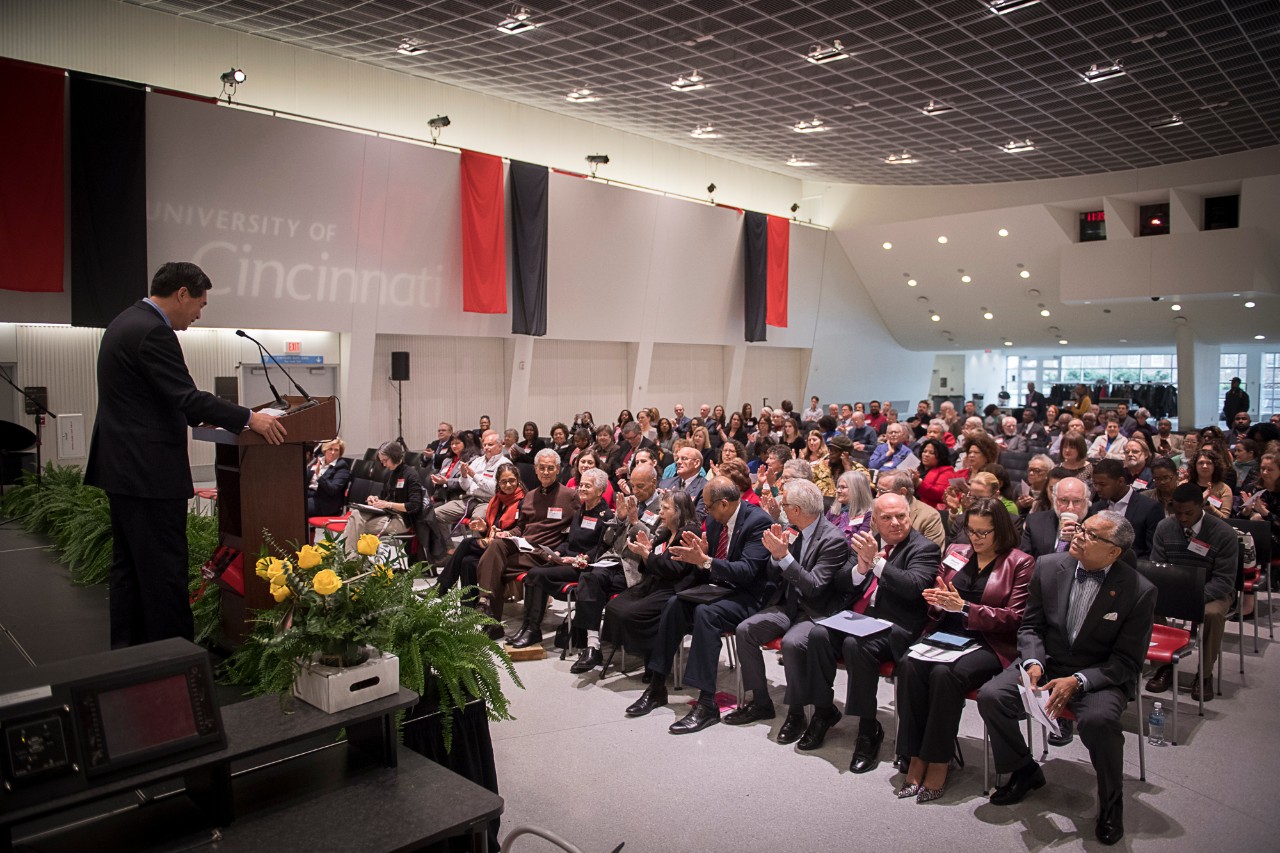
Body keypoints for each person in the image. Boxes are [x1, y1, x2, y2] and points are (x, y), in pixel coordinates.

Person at [85, 261, 286, 648]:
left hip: (124, 470)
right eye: (200, 304)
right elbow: (186, 397)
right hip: (148, 473)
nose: (198, 314)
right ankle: (173, 662)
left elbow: (175, 401)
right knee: (163, 573)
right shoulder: (153, 332)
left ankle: (129, 654)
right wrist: (250, 418)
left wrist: (213, 412)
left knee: (130, 569)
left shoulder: (124, 323)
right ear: (181, 293)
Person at [978, 511, 1154, 846]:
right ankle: (1024, 770)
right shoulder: (1047, 566)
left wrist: (1079, 680)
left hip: (1097, 674)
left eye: (1091, 535)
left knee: (1099, 721)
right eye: (1081, 528)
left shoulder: (1138, 590)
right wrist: (1032, 662)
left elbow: (1127, 661)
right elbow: (1031, 627)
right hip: (1047, 664)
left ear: (1114, 552)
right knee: (992, 696)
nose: (1078, 535)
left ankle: (1111, 803)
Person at [894, 499, 1034, 801]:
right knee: (908, 664)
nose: (976, 538)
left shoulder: (1020, 562)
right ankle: (915, 755)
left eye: (984, 532)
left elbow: (1015, 618)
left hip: (989, 641)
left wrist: (966, 607)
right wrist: (936, 602)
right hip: (947, 634)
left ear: (1001, 530)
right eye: (971, 531)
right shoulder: (957, 553)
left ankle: (939, 761)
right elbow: (936, 603)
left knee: (946, 674)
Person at [790, 494, 940, 764]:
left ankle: (868, 727)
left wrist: (877, 564)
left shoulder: (924, 548)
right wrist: (860, 567)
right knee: (819, 633)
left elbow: (913, 587)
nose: (895, 523)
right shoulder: (866, 541)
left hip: (896, 626)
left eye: (901, 516)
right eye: (886, 518)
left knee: (855, 646)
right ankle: (824, 711)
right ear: (875, 521)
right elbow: (841, 582)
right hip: (858, 619)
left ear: (909, 516)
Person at [624, 477, 773, 734]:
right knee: (674, 604)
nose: (706, 512)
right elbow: (708, 567)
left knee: (706, 613)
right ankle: (657, 686)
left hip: (749, 597)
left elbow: (748, 571)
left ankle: (706, 704)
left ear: (724, 504)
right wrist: (698, 560)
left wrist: (705, 561)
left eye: (709, 507)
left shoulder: (758, 522)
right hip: (720, 589)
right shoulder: (716, 523)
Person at [726, 479, 853, 729]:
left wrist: (783, 557)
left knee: (792, 643)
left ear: (796, 509)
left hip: (814, 610)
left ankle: (797, 712)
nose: (781, 509)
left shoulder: (833, 540)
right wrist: (776, 557)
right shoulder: (793, 529)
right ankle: (761, 702)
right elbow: (774, 576)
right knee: (745, 630)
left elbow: (815, 586)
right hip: (787, 604)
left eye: (784, 505)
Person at [1145, 483, 1238, 701]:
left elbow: (1224, 581)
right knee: (1147, 602)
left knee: (1212, 614)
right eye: (1178, 513)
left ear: (1201, 506)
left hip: (1212, 592)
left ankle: (1204, 674)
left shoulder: (1223, 533)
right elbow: (1158, 567)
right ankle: (1164, 666)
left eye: (1189, 513)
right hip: (1175, 589)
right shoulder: (1165, 527)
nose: (1183, 518)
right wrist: (1174, 594)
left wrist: (1193, 597)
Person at [473, 448, 580, 638]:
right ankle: (487, 608)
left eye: (550, 468)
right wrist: (508, 534)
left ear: (557, 470)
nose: (546, 472)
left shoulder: (569, 496)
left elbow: (577, 529)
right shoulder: (529, 496)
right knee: (496, 544)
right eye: (542, 468)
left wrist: (562, 551)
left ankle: (489, 614)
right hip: (524, 546)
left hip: (544, 553)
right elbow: (520, 528)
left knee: (493, 566)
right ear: (536, 470)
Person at [570, 463, 664, 674]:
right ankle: (593, 646)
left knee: (593, 585)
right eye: (633, 486)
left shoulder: (663, 507)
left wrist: (635, 521)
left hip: (636, 567)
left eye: (641, 486)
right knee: (589, 578)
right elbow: (608, 540)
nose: (636, 491)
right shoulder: (630, 501)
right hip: (612, 561)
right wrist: (619, 519)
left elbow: (656, 542)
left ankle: (592, 643)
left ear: (654, 483)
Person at [509, 467, 615, 648]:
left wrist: (578, 559)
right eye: (580, 485)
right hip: (567, 560)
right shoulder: (581, 510)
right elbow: (570, 541)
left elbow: (602, 549)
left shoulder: (605, 516)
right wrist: (557, 552)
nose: (581, 489)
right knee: (533, 575)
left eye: (587, 486)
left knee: (536, 574)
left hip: (584, 567)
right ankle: (528, 625)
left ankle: (533, 629)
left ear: (600, 491)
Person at [435, 462, 523, 600]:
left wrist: (504, 533)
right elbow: (491, 528)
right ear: (498, 483)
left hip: (509, 549)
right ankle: (468, 611)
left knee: (465, 544)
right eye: (503, 482)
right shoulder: (496, 500)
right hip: (493, 543)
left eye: (512, 480)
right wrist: (484, 529)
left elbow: (521, 530)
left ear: (518, 480)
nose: (508, 485)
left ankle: (441, 587)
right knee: (467, 562)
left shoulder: (523, 501)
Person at [427, 429, 509, 559]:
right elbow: (465, 486)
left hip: (488, 502)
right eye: (485, 444)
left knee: (477, 520)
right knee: (436, 514)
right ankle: (450, 549)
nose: (486, 447)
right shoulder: (478, 461)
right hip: (468, 499)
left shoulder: (504, 464)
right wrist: (464, 476)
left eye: (490, 445)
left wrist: (474, 475)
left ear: (500, 446)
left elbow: (495, 489)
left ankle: (478, 556)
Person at [341, 440, 424, 553]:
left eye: (385, 460)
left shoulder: (411, 475)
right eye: (382, 461)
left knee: (356, 527)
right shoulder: (391, 474)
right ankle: (350, 558)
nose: (384, 464)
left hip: (403, 520)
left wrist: (388, 504)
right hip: (388, 513)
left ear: (394, 456)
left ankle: (349, 559)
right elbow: (384, 496)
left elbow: (414, 506)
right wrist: (375, 499)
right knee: (355, 514)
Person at [1088, 459, 1164, 559]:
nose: (1097, 488)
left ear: (1120, 481)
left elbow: (1152, 552)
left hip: (1135, 569)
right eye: (1095, 484)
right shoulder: (1095, 508)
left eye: (1102, 484)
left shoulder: (1150, 508)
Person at [1020, 475, 1089, 559]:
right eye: (1064, 500)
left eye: (1077, 501)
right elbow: (1024, 560)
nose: (1070, 507)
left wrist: (1079, 541)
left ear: (1086, 502)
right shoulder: (1035, 521)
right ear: (1055, 500)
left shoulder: (1096, 528)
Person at [879, 470, 946, 549]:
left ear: (902, 492)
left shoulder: (929, 517)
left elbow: (931, 555)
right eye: (877, 490)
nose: (877, 495)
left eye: (882, 491)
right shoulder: (877, 510)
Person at [305, 437, 351, 517]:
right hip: (310, 495)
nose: (333, 452)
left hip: (325, 502)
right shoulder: (318, 460)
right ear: (325, 450)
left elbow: (332, 490)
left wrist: (319, 476)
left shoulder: (342, 466)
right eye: (330, 449)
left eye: (336, 450)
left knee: (299, 508)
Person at [826, 470, 875, 544]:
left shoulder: (869, 515)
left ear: (857, 490)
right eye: (838, 487)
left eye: (843, 487)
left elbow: (855, 544)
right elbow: (820, 533)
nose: (838, 491)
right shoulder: (834, 510)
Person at [1192, 449, 1233, 518]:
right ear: (1194, 465)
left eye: (1209, 463)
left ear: (1215, 466)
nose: (1205, 466)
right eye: (1201, 463)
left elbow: (1225, 518)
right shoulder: (1185, 485)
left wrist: (1207, 505)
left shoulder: (1224, 489)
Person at [915, 438, 955, 510]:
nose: (926, 455)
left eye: (931, 453)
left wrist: (919, 483)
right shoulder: (918, 468)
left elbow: (941, 495)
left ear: (940, 456)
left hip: (928, 510)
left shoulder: (947, 471)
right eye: (924, 451)